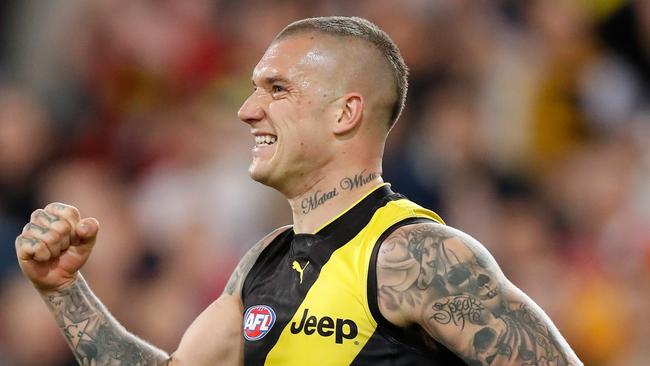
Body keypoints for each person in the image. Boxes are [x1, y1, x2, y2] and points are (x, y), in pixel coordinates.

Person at [14, 16, 583, 365]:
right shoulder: (261, 265)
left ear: (345, 112)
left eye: (277, 89)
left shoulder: (418, 255)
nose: (246, 110)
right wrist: (66, 292)